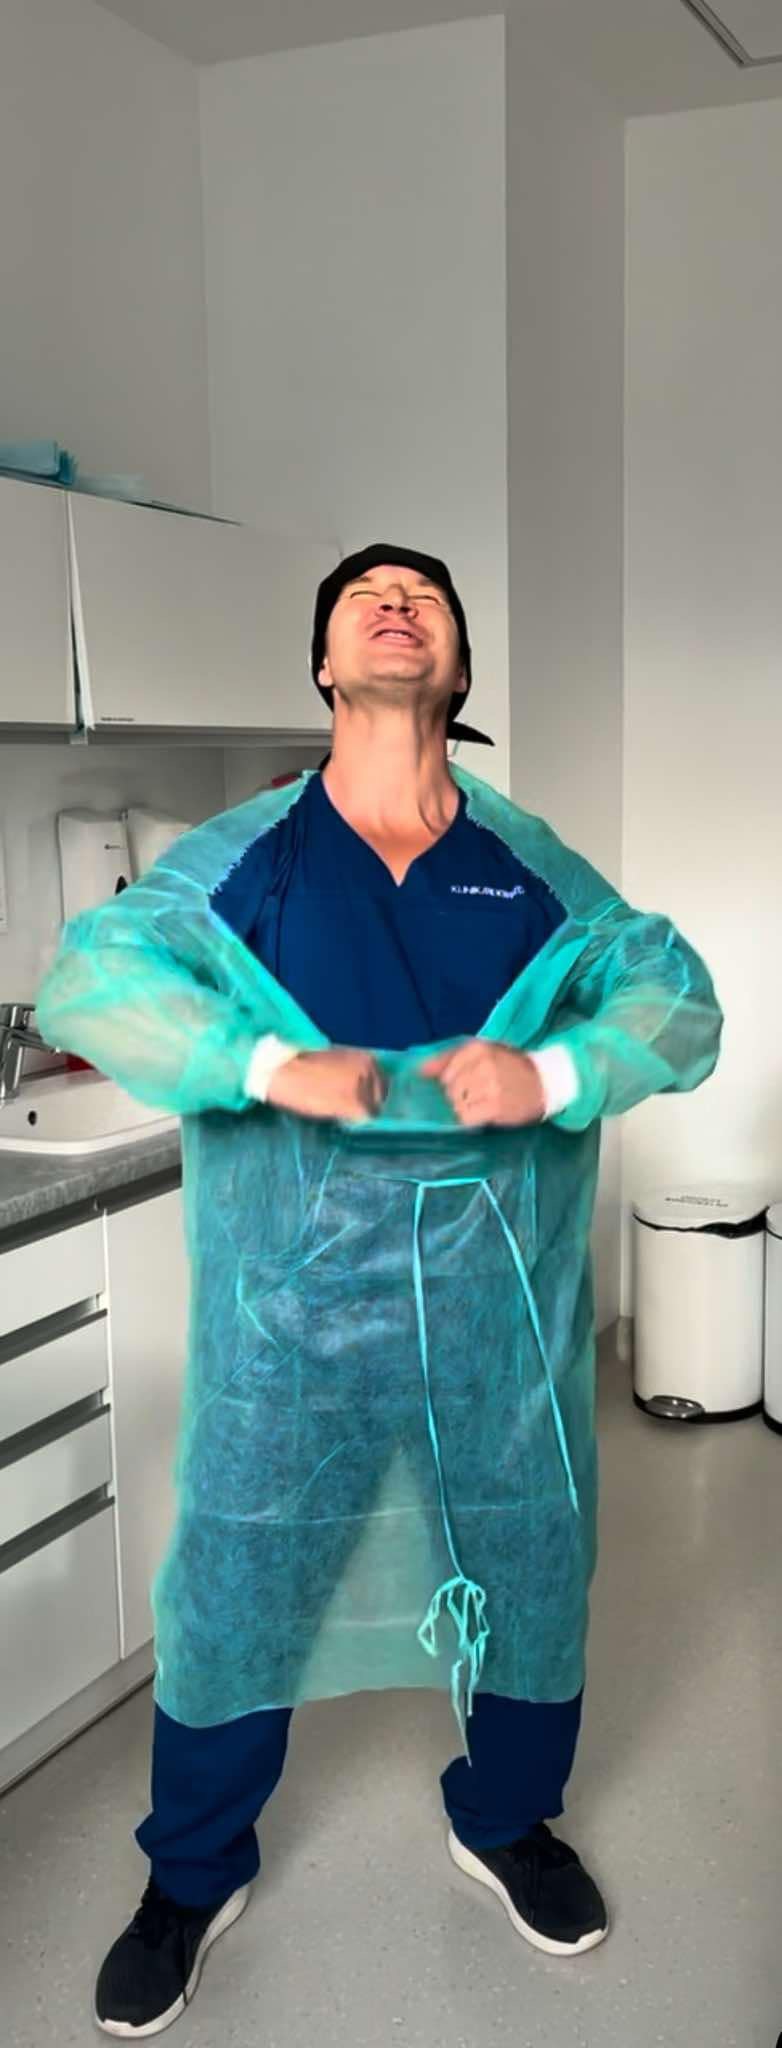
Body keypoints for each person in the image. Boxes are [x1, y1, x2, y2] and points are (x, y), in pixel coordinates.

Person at [37, 544, 723, 2039]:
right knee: (239, 1586)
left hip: (495, 1316)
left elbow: (668, 992)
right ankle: (190, 1876)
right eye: (365, 597)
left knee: (529, 1566)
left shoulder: (524, 862)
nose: (396, 604)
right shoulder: (251, 854)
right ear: (324, 667)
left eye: (425, 596)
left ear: (458, 670)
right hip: (289, 1320)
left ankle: (506, 1819)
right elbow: (97, 976)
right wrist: (260, 1062)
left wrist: (555, 1072)